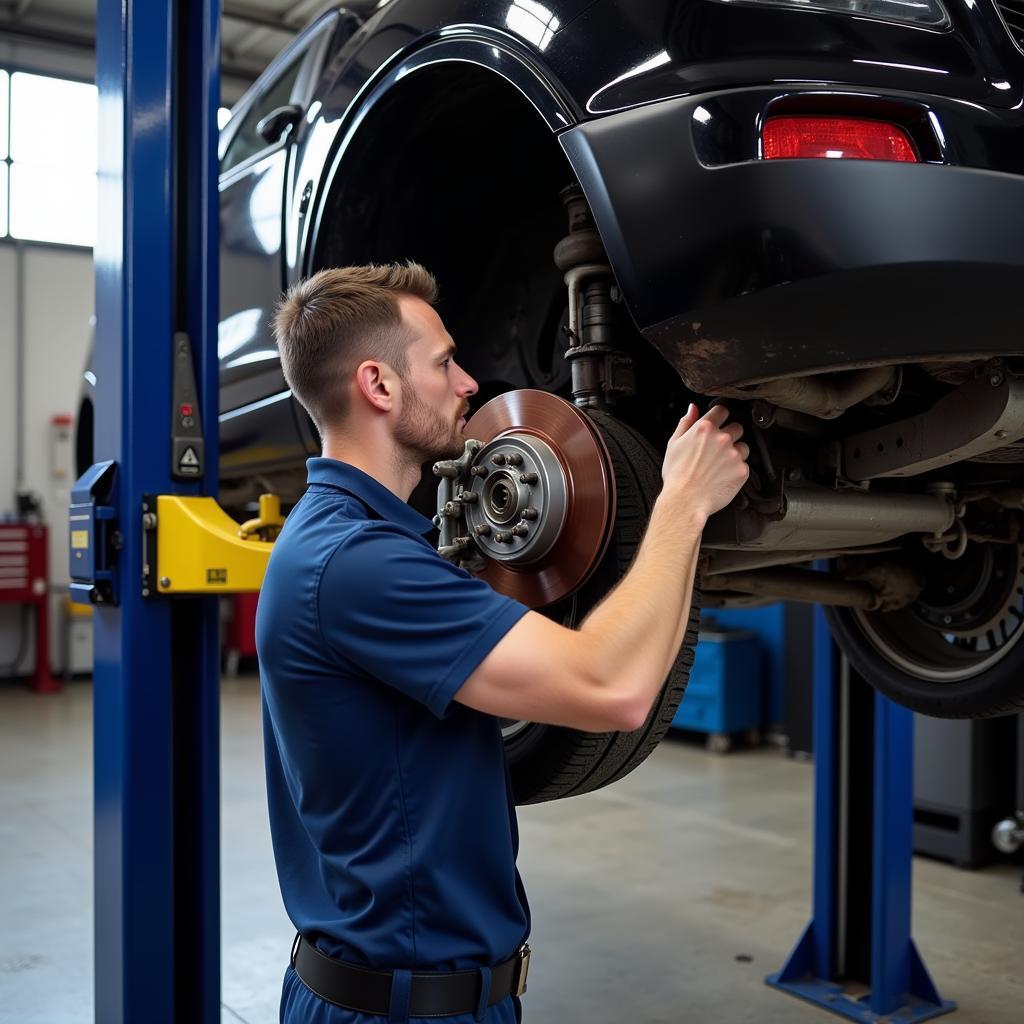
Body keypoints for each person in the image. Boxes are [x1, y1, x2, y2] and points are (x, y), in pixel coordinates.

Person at [256, 262, 749, 1024]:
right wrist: (681, 503)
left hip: (419, 995)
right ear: (379, 386)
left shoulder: (360, 546)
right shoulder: (357, 566)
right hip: (403, 1010)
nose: (469, 383)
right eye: (445, 362)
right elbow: (614, 689)